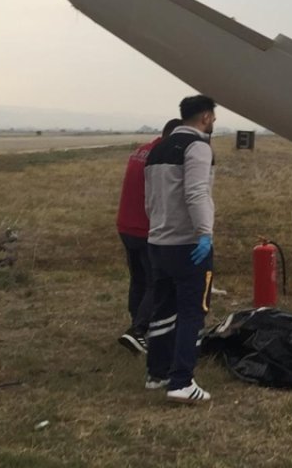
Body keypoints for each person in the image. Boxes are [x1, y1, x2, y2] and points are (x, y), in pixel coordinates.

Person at [143, 95, 218, 403]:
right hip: (188, 244)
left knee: (162, 309)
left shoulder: (157, 149)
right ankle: (181, 381)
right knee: (191, 313)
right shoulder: (198, 147)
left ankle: (156, 373)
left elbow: (150, 199)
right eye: (213, 115)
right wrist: (205, 233)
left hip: (158, 241)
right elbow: (197, 191)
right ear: (205, 117)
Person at [116, 118, 182, 355]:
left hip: (126, 225)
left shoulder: (141, 151)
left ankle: (136, 327)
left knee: (139, 279)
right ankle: (139, 330)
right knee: (158, 281)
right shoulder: (163, 156)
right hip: (147, 228)